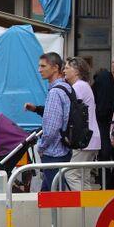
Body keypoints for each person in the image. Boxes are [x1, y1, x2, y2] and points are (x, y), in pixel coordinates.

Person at [24, 53, 72, 192]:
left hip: (54, 152)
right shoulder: (66, 88)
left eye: (43, 66)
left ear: (55, 68)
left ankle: (69, 214)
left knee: (58, 194)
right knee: (48, 192)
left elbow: (51, 128)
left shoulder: (55, 92)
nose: (39, 69)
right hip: (64, 148)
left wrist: (41, 146)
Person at [63, 57, 101, 191]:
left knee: (70, 174)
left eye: (67, 68)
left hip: (84, 138)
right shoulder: (83, 85)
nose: (64, 70)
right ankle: (88, 209)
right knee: (83, 176)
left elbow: (70, 111)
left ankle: (81, 207)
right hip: (91, 137)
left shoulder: (78, 87)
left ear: (77, 71)